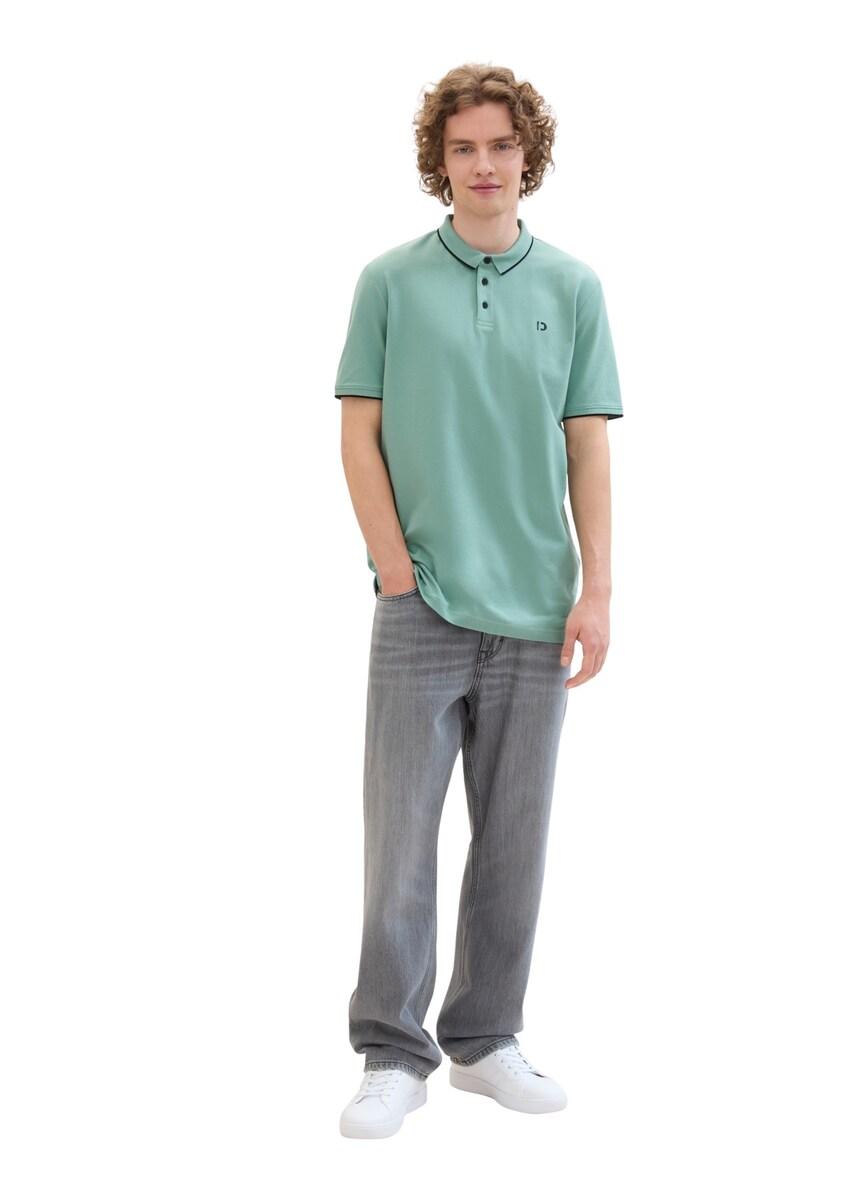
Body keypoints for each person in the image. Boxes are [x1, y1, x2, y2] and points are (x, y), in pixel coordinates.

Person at [334, 63, 623, 1139]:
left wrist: (596, 589)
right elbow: (358, 431)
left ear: (527, 155)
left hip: (538, 609)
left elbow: (586, 444)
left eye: (502, 144)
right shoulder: (389, 283)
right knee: (398, 845)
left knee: (513, 843)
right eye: (464, 147)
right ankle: (390, 1052)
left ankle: (487, 1038)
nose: (485, 164)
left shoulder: (575, 288)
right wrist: (394, 568)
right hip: (422, 604)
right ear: (440, 162)